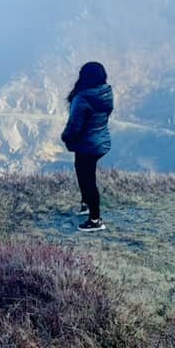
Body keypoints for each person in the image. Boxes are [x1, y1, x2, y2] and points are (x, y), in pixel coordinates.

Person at [61, 61, 113, 232]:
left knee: (88, 179)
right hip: (100, 141)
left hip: (87, 144)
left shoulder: (81, 98)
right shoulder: (106, 93)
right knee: (82, 172)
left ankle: (95, 220)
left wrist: (65, 137)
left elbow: (74, 126)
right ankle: (85, 204)